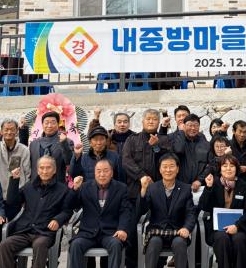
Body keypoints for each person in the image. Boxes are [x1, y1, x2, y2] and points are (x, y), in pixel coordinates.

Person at [0, 156, 74, 268]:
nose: (45, 171)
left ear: (54, 170)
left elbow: (67, 211)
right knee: (5, 245)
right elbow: (12, 202)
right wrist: (14, 180)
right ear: (37, 170)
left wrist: (57, 220)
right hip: (24, 231)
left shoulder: (63, 190)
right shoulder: (29, 186)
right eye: (41, 168)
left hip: (45, 232)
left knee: (40, 245)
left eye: (48, 168)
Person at [122, 109, 171, 268]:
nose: (151, 121)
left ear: (158, 122)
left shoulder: (164, 140)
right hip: (134, 193)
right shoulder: (132, 140)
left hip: (159, 195)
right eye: (148, 119)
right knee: (131, 232)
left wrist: (156, 147)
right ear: (142, 121)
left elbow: (169, 162)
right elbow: (126, 161)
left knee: (159, 231)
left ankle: (158, 265)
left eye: (154, 119)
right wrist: (141, 176)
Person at [68, 159, 132, 268]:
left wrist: (122, 229)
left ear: (111, 173)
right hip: (88, 233)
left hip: (110, 233)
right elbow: (71, 205)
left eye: (106, 171)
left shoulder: (121, 188)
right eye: (98, 171)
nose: (102, 174)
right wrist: (75, 189)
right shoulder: (85, 187)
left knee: (116, 244)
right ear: (94, 172)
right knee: (75, 245)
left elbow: (125, 211)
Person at [138, 153, 196, 268]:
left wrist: (187, 228)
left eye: (171, 166)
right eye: (164, 166)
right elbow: (142, 210)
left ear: (177, 169)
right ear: (160, 170)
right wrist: (143, 190)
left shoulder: (185, 189)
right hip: (156, 231)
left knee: (179, 243)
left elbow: (190, 213)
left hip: (178, 231)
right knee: (154, 243)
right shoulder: (152, 188)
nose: (168, 170)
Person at [199, 154, 246, 268]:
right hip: (217, 230)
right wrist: (208, 187)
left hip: (239, 228)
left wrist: (237, 226)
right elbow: (203, 206)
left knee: (239, 239)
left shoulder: (245, 186)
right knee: (222, 238)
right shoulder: (214, 183)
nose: (228, 168)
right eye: (225, 166)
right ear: (220, 168)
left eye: (232, 166)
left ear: (236, 169)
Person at [0, 119, 31, 200]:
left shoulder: (24, 149)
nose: (9, 132)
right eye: (6, 130)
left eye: (12, 129)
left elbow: (27, 173)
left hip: (17, 192)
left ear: (17, 131)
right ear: (1, 131)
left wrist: (25, 193)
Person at [27, 111, 74, 184]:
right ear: (42, 124)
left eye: (53, 122)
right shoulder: (34, 144)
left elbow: (69, 162)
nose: (49, 126)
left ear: (58, 124)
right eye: (46, 123)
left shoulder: (67, 141)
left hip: (57, 186)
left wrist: (64, 144)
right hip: (36, 185)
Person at [173, 114, 210, 193]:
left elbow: (211, 164)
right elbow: (178, 150)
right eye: (189, 125)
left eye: (196, 125)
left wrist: (199, 180)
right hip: (180, 186)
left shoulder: (205, 143)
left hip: (200, 187)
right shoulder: (178, 140)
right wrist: (181, 132)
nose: (193, 128)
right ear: (184, 126)